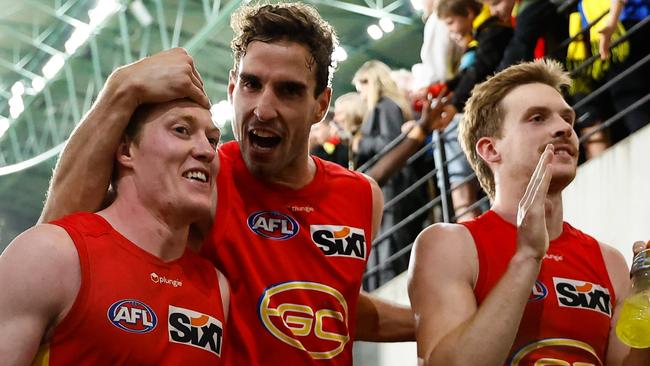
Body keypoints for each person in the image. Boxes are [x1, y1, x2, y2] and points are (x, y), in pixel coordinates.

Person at [38, 3, 431, 365]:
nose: (263, 108)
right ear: (231, 86)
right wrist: (120, 89)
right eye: (251, 84)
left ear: (321, 105)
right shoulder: (201, 179)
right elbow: (64, 237)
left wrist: (441, 318)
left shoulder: (363, 197)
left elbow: (332, 307)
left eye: (289, 90)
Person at [408, 59, 650, 365]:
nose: (564, 128)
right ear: (490, 149)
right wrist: (527, 258)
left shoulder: (609, 261)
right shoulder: (450, 245)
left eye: (567, 118)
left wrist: (647, 300)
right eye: (537, 118)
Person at [0, 99, 229, 365]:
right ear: (126, 151)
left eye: (212, 140)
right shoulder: (51, 254)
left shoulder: (216, 288)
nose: (207, 151)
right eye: (181, 130)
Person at [353, 60, 428, 288]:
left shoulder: (385, 106)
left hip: (392, 186)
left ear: (371, 82)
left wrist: (362, 142)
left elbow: (390, 144)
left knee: (389, 240)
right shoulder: (389, 106)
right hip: (391, 186)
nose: (362, 96)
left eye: (362, 89)